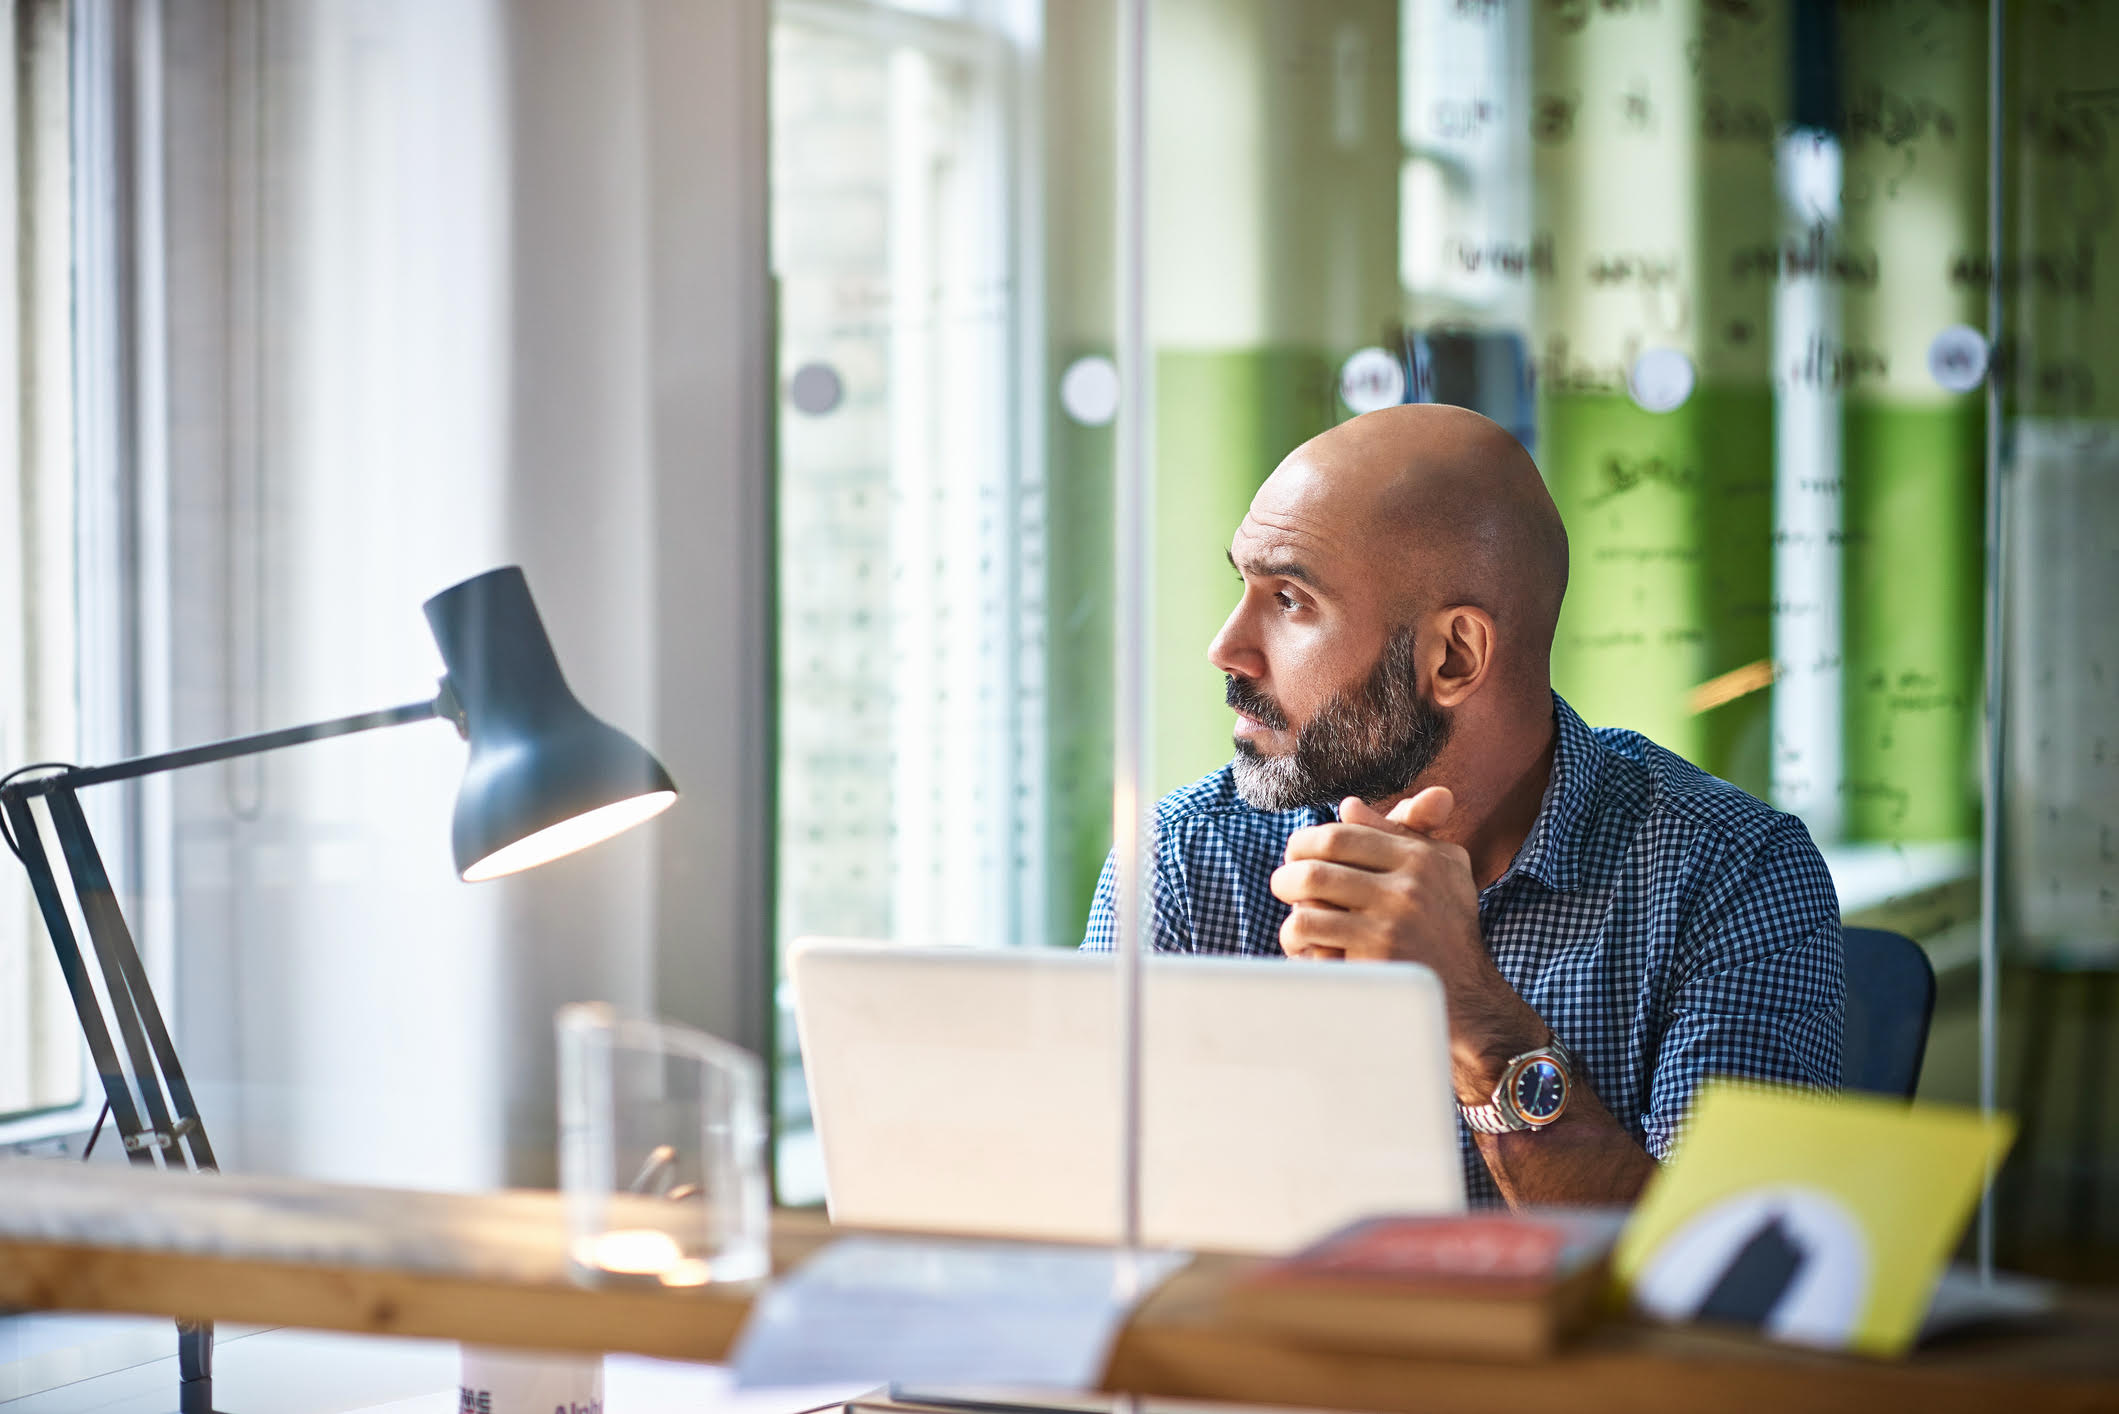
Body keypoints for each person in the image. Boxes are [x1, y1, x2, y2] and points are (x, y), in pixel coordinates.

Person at [1081, 403, 1843, 1209]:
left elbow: (1726, 1288)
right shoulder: (1185, 858)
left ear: (1453, 656)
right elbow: (1081, 1219)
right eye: (1243, 585)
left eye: (1291, 601)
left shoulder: (1735, 876)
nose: (1226, 648)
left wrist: (1473, 1015)